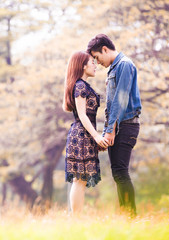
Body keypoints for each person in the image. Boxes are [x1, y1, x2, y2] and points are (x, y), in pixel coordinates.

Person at [87, 34, 142, 216]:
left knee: (121, 172)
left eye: (96, 57)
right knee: (118, 173)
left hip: (125, 126)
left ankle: (130, 217)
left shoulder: (124, 65)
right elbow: (111, 106)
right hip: (118, 126)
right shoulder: (114, 68)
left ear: (105, 49)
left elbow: (121, 100)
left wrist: (110, 131)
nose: (97, 62)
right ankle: (127, 215)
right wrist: (106, 132)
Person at [62, 51, 108, 215]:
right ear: (82, 65)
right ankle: (76, 218)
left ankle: (76, 218)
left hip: (84, 134)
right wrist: (96, 136)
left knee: (80, 180)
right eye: (91, 62)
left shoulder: (83, 85)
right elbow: (82, 115)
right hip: (81, 135)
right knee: (79, 180)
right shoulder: (80, 86)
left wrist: (95, 137)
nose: (95, 65)